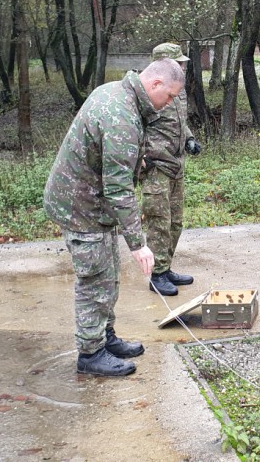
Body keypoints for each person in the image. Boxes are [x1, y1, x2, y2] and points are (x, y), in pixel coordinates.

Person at [44, 58, 185, 376]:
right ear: (155, 84)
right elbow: (118, 188)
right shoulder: (121, 115)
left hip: (95, 203)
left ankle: (104, 337)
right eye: (169, 96)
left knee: (108, 275)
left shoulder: (119, 94)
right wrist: (138, 244)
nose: (169, 104)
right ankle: (90, 353)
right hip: (80, 207)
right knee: (95, 280)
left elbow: (114, 161)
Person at [141, 43, 202, 296]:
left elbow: (179, 121)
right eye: (178, 63)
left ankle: (165, 268)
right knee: (159, 222)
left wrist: (189, 138)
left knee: (175, 221)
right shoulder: (147, 93)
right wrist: (142, 156)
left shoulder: (177, 90)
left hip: (177, 164)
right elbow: (135, 127)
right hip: (156, 166)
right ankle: (157, 275)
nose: (183, 67)